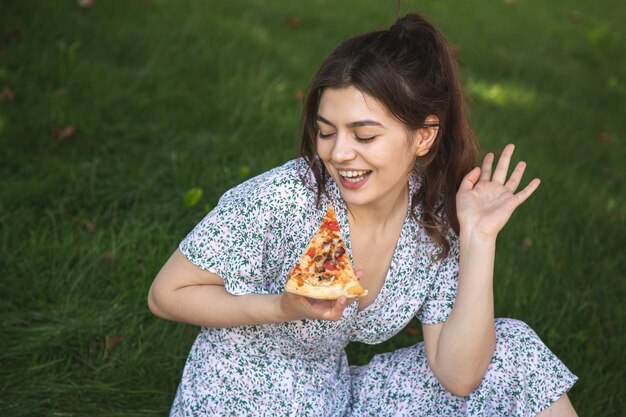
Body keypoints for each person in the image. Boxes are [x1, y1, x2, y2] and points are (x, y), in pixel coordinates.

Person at [148, 12, 578, 417]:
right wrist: (282, 306)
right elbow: (166, 294)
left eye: (364, 135)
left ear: (424, 136)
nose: (338, 153)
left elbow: (460, 376)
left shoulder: (432, 217)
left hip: (336, 397)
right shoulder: (284, 197)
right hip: (239, 396)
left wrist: (479, 237)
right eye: (325, 131)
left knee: (515, 350)